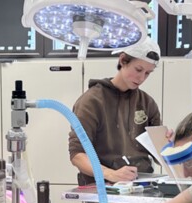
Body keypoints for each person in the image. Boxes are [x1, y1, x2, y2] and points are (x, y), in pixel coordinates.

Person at [68, 36, 162, 187]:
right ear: (123, 60)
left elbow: (160, 154)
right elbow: (77, 155)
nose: (141, 78)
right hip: (104, 189)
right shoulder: (91, 102)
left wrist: (169, 145)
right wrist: (111, 174)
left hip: (141, 187)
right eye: (138, 69)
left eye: (147, 73)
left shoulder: (147, 103)